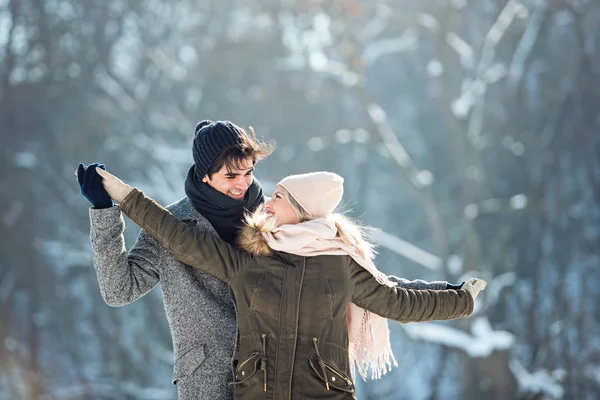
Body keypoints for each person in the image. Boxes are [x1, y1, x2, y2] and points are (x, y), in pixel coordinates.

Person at [77, 121, 462, 399]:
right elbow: (118, 290)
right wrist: (103, 213)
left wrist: (444, 293)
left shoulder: (279, 222)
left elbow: (359, 280)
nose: (243, 183)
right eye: (231, 175)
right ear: (204, 175)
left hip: (280, 382)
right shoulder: (170, 226)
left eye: (248, 172)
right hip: (207, 381)